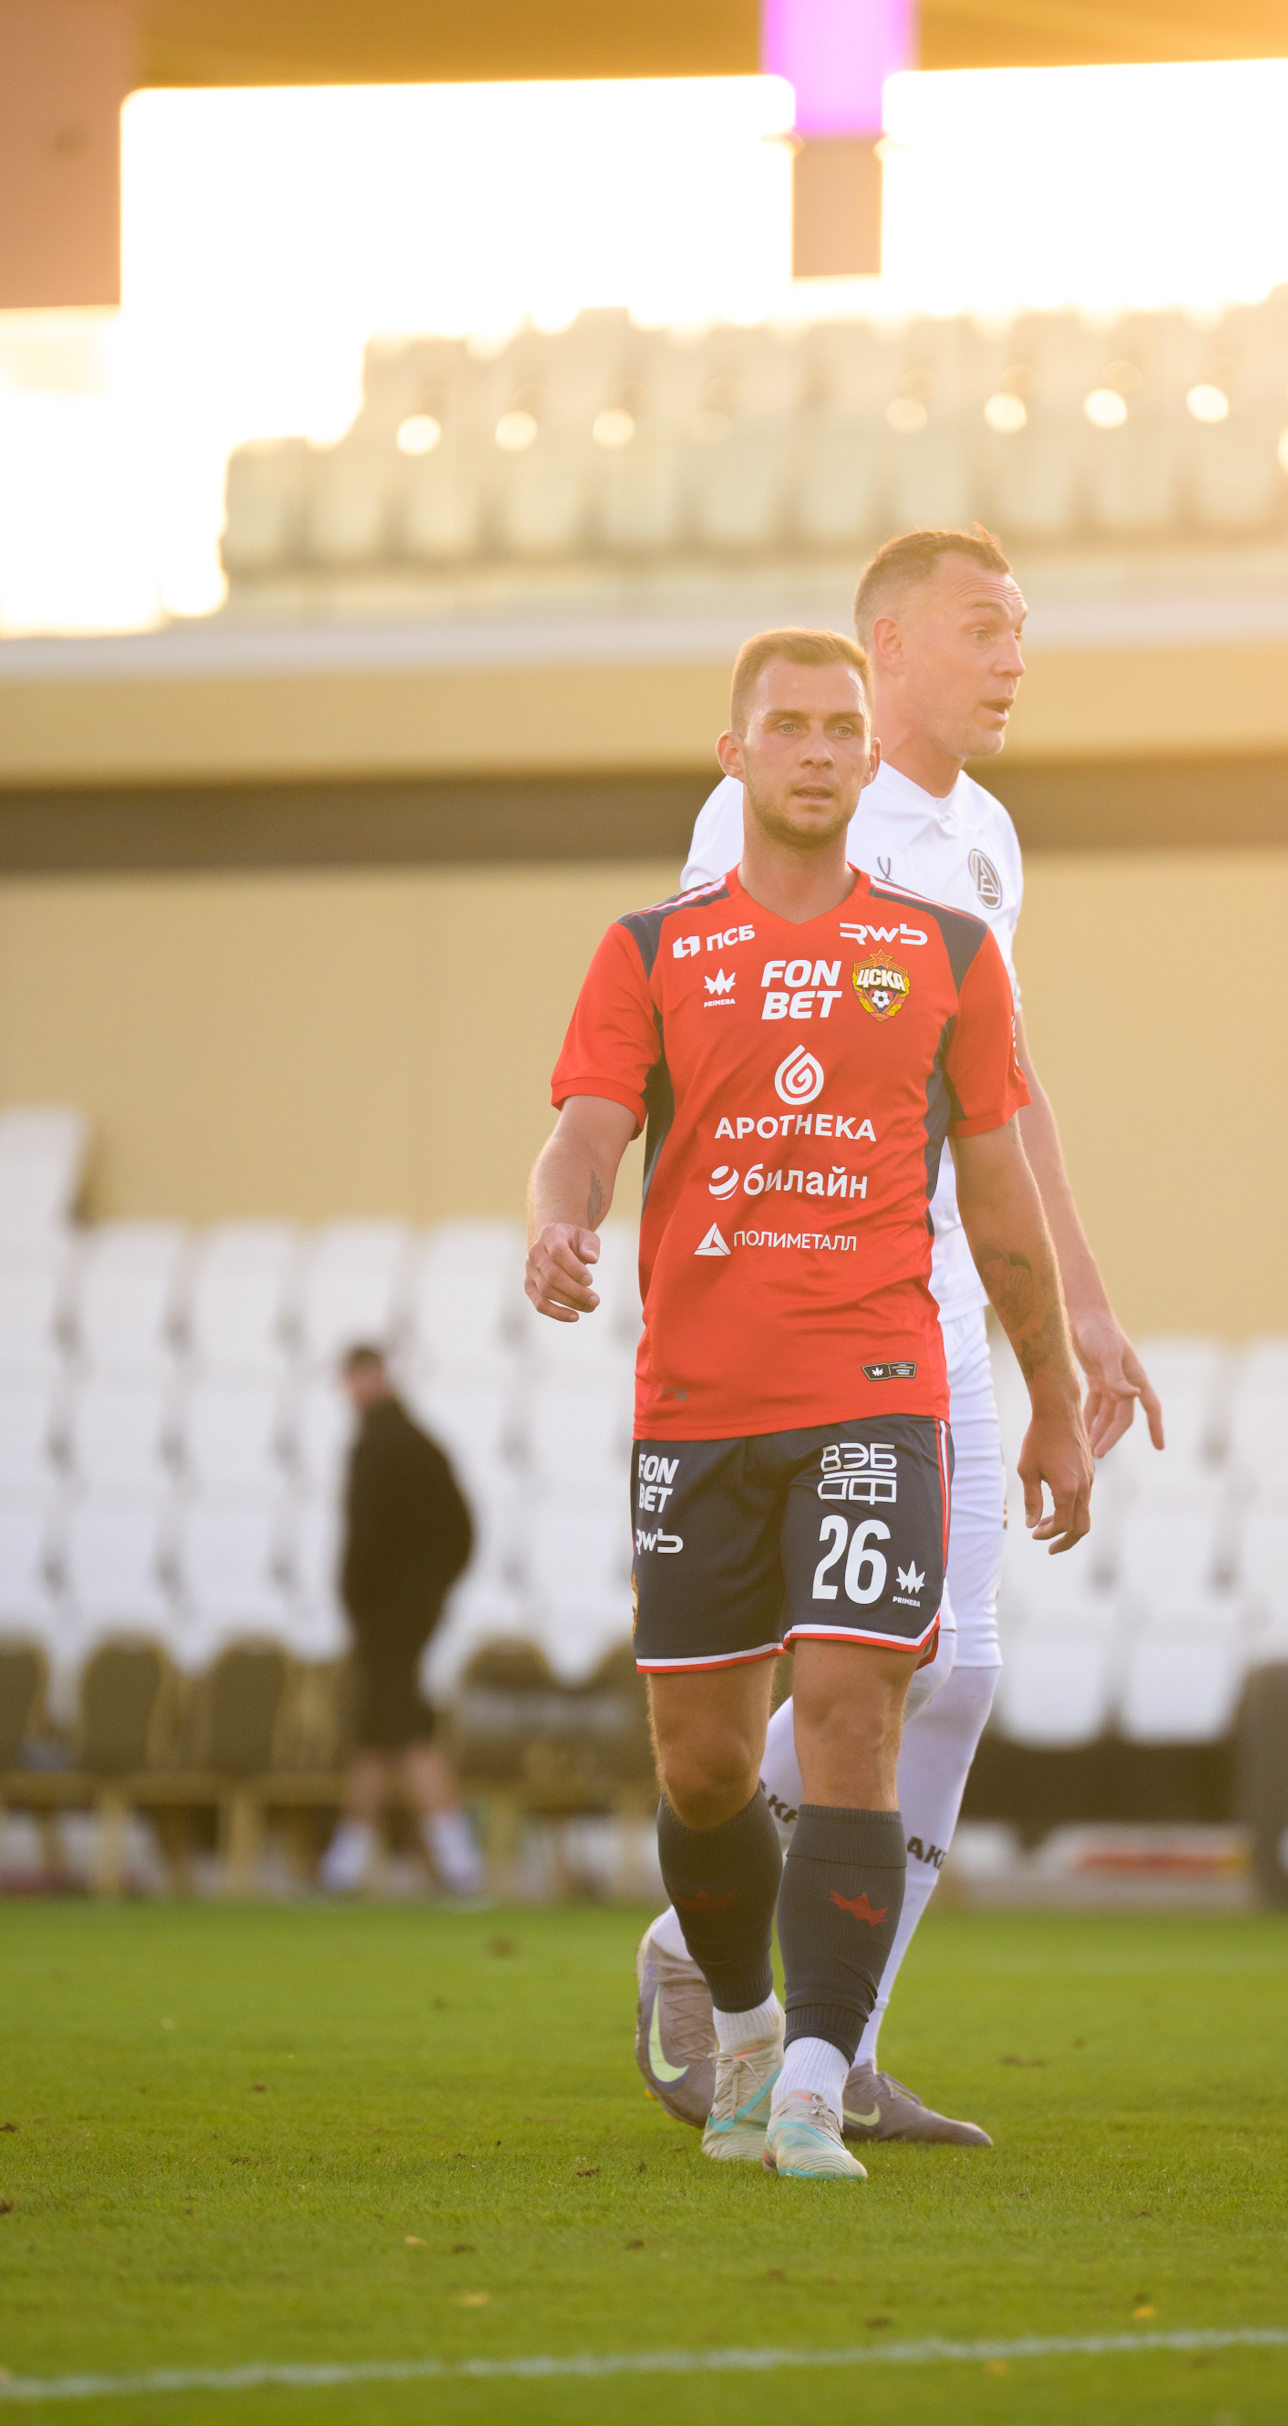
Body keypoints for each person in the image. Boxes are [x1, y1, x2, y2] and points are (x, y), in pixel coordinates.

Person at [526, 627, 1090, 2180]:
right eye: (789, 726)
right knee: (705, 1765)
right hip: (698, 1406)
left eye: (844, 726)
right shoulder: (650, 949)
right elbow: (585, 1130)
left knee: (856, 1715)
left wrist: (1052, 1393)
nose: (821, 749)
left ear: (868, 751)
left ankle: (819, 2078)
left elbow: (1003, 1202)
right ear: (736, 757)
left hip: (878, 1392)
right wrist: (561, 1219)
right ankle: (746, 2022)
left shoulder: (950, 954)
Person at [634, 527, 1163, 2146]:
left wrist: (1079, 1305)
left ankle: (819, 2033)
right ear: (890, 646)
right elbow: (697, 1037)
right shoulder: (778, 806)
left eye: (1021, 630)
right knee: (850, 1682)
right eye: (984, 627)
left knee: (961, 1666)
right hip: (796, 1293)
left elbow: (1006, 1090)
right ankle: (728, 1960)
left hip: (931, 1285)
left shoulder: (984, 838)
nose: (1014, 658)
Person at [317, 1345, 486, 1899]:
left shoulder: (382, 1446)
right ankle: (344, 1867)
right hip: (405, 1613)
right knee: (377, 1730)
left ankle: (460, 1864)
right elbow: (462, 1529)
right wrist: (432, 1591)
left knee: (407, 1730)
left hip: (388, 1616)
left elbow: (365, 1536)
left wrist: (368, 1598)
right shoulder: (419, 1443)